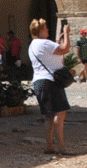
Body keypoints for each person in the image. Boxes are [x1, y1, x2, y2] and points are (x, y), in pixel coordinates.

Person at [28, 18, 71, 155]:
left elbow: (51, 56)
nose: (47, 30)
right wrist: (67, 33)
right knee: (60, 112)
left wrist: (57, 42)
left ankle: (49, 145)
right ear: (40, 30)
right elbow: (65, 49)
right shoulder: (45, 43)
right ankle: (62, 146)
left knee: (49, 115)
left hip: (39, 81)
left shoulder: (33, 45)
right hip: (50, 81)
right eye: (45, 28)